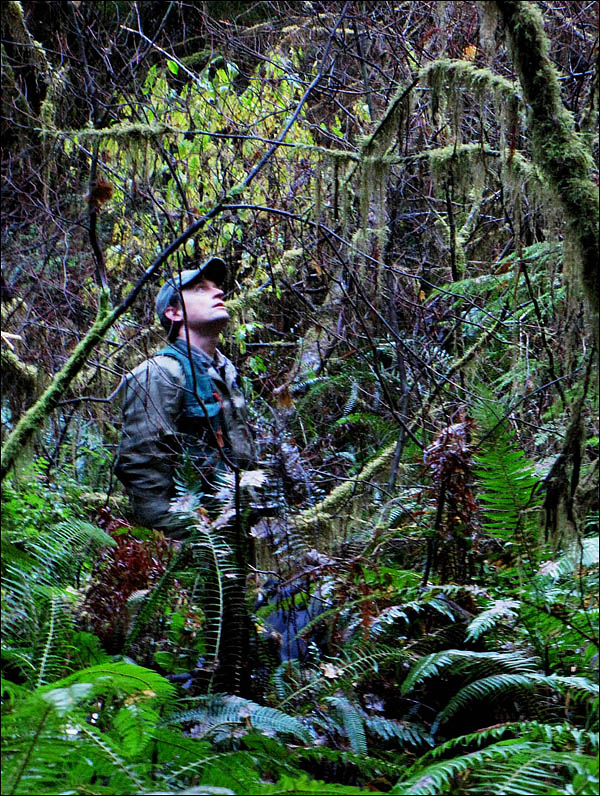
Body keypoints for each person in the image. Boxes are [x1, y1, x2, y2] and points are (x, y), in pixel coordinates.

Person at [114, 255, 256, 540]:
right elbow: (142, 470)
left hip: (239, 535)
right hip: (196, 546)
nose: (218, 292)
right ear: (174, 313)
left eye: (216, 286)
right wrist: (185, 538)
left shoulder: (225, 371)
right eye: (201, 289)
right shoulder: (160, 374)